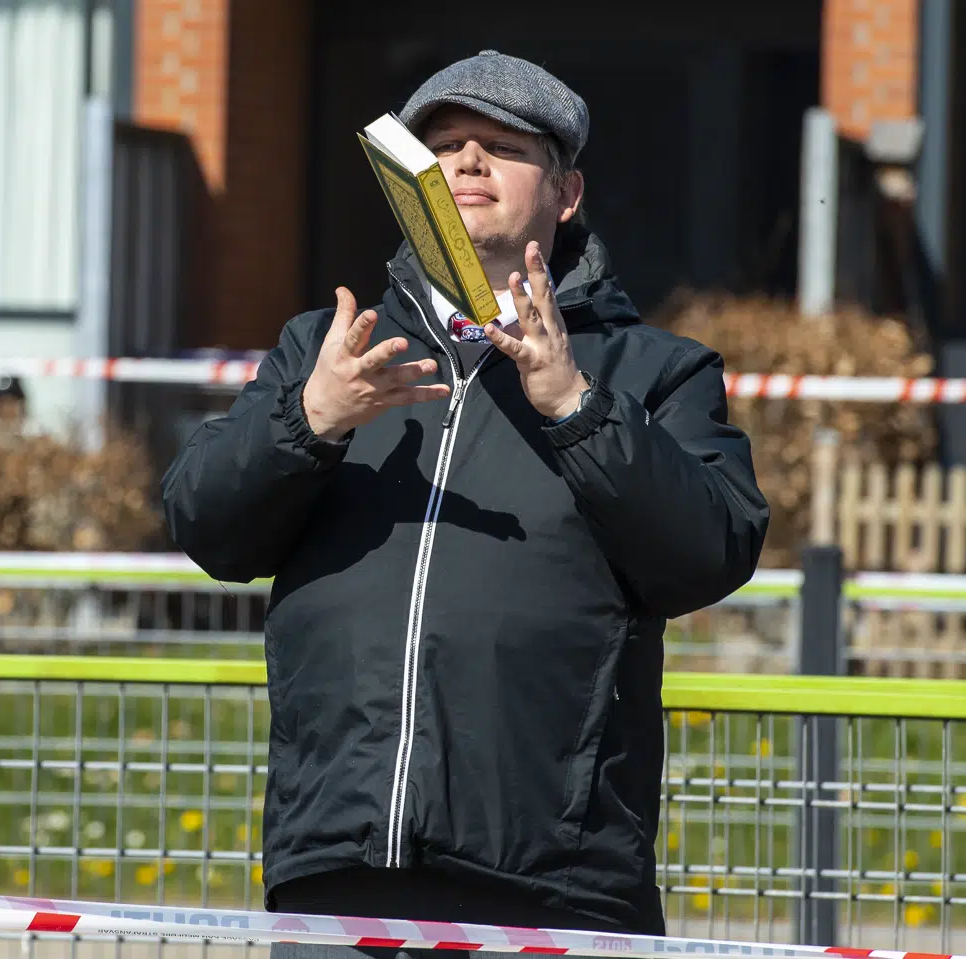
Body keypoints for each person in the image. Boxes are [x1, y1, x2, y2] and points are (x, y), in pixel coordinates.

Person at [161, 49, 769, 954]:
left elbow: (710, 549)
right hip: (336, 863)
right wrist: (311, 421)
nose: (468, 163)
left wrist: (576, 406)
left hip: (553, 881)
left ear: (567, 194)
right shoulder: (329, 349)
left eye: (501, 146)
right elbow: (206, 525)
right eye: (442, 145)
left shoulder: (653, 370)